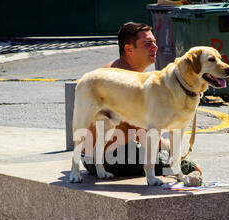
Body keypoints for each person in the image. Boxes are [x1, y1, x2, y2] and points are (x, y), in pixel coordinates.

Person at [81, 22, 202, 178]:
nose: (155, 47)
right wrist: (174, 153)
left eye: (154, 42)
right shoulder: (123, 81)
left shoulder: (114, 72)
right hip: (114, 158)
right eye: (148, 43)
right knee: (193, 169)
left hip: (98, 156)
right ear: (129, 49)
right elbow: (142, 131)